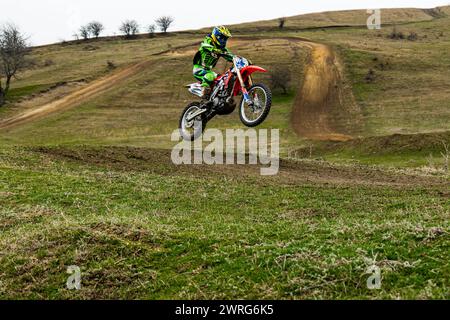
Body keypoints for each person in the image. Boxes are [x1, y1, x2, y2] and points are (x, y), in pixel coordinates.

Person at [193, 26, 234, 99]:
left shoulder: (221, 48)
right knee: (210, 76)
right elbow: (205, 45)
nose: (224, 41)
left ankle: (216, 97)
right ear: (216, 36)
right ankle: (203, 92)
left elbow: (230, 55)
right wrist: (214, 49)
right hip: (199, 69)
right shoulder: (208, 41)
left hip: (208, 70)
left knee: (222, 79)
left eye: (225, 39)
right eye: (222, 38)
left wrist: (236, 59)